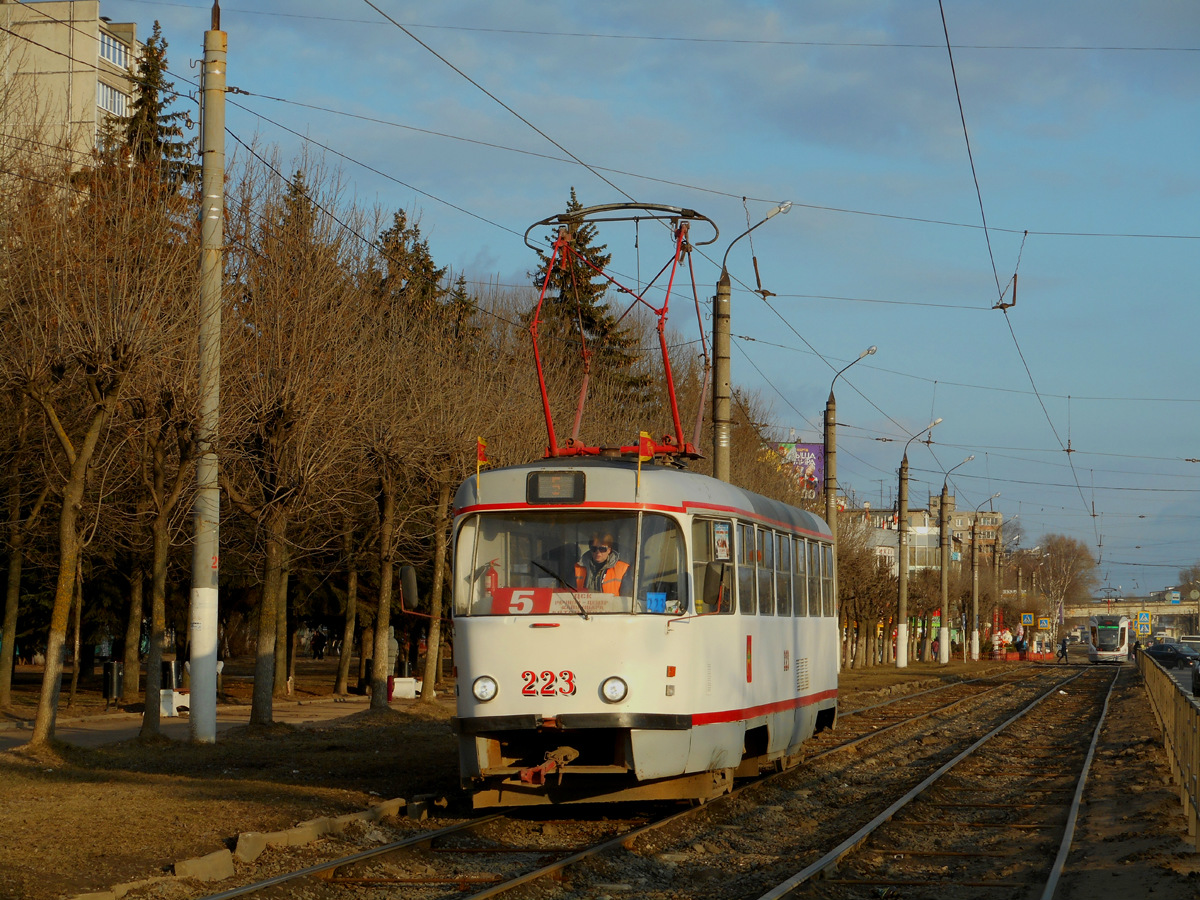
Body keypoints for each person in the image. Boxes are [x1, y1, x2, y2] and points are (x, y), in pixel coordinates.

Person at [575, 532, 634, 596]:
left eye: (602, 549)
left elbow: (628, 598)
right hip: (582, 605)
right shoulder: (577, 568)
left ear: (609, 550)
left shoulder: (623, 570)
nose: (598, 552)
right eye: (594, 548)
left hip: (613, 606)